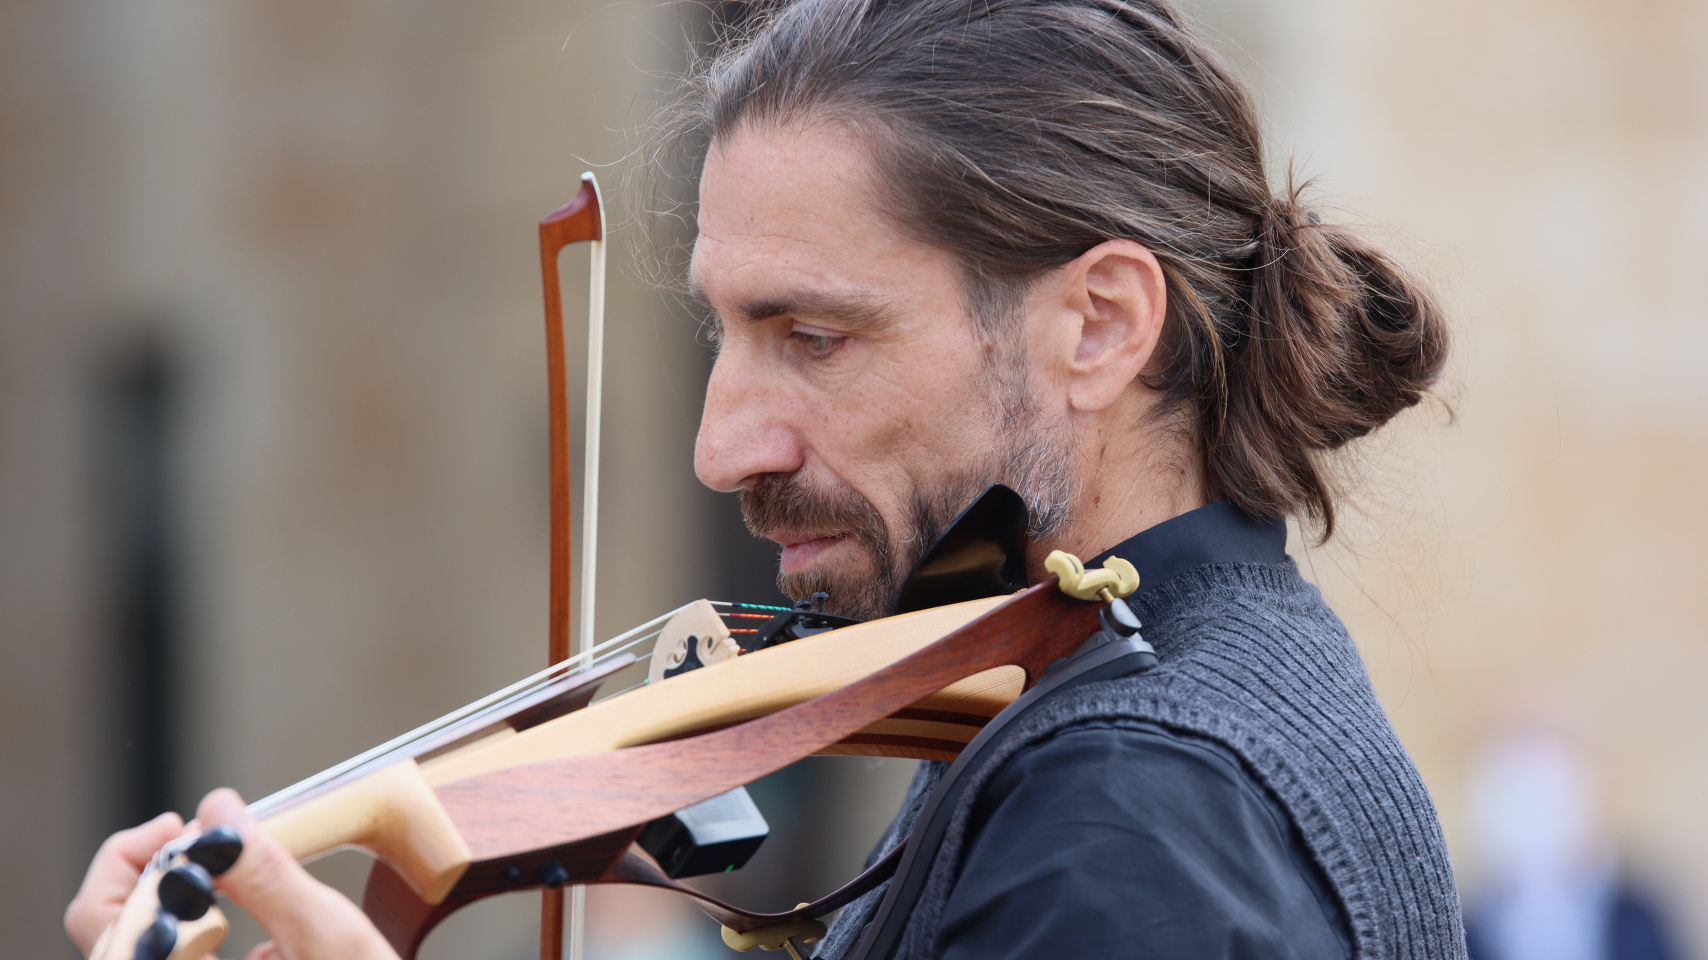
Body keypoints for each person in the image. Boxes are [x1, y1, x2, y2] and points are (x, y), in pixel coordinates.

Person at [66, 0, 1466, 956]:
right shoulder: (1119, 684)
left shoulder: (1126, 810)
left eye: (813, 337)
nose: (722, 443)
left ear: (1096, 324)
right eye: (724, 339)